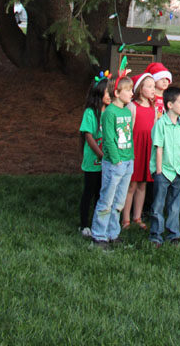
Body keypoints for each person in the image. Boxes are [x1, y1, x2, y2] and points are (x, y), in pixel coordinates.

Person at [90, 75, 135, 247]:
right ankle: (99, 234)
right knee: (107, 199)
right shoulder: (109, 112)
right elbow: (109, 138)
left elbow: (128, 136)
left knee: (119, 201)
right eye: (128, 90)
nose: (132, 93)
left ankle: (112, 233)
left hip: (127, 161)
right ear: (116, 92)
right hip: (114, 163)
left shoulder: (126, 111)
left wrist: (130, 157)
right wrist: (116, 159)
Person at [149, 86, 180, 247]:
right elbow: (159, 148)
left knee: (175, 205)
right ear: (169, 105)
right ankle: (156, 235)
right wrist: (158, 171)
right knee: (158, 205)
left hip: (178, 172)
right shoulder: (161, 124)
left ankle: (173, 234)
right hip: (164, 171)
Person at [122, 73, 159, 229]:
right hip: (135, 148)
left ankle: (137, 216)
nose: (153, 89)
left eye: (153, 86)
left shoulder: (153, 108)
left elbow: (155, 128)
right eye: (149, 86)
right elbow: (127, 130)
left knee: (143, 184)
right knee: (131, 184)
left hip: (147, 149)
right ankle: (125, 219)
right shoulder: (132, 107)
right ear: (140, 89)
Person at [78, 74, 111, 237]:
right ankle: (84, 224)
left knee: (101, 193)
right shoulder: (90, 113)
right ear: (99, 93)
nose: (111, 96)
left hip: (106, 162)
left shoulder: (111, 112)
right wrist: (100, 154)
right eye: (108, 93)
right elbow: (89, 136)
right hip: (93, 161)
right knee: (89, 192)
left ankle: (98, 224)